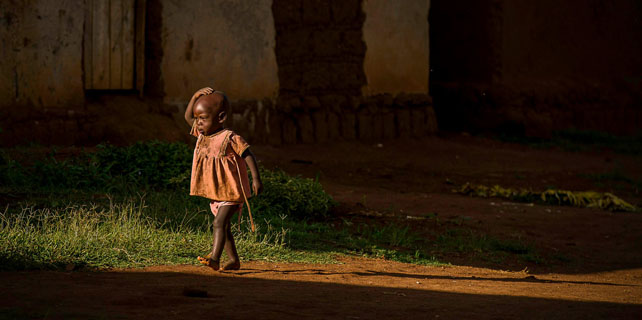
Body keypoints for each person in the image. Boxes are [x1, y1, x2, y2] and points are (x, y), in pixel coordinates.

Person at [184, 87, 263, 271]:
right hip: (217, 193)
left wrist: (256, 179)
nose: (198, 123)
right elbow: (187, 118)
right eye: (197, 119)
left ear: (221, 118)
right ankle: (234, 261)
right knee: (224, 227)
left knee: (218, 223)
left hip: (232, 191)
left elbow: (248, 154)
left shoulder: (230, 138)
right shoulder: (202, 134)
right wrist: (195, 95)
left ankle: (214, 258)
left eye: (203, 118)